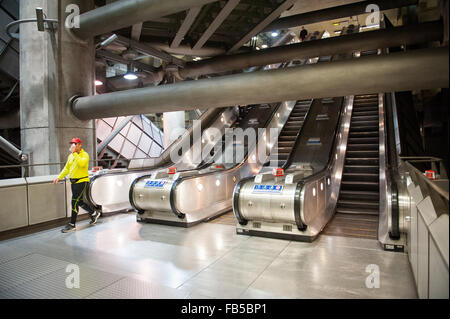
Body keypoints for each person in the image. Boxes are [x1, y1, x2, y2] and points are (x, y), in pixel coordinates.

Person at [53, 137, 100, 233]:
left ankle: (72, 224)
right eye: (72, 144)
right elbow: (66, 168)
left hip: (82, 181)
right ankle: (94, 213)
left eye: (75, 144)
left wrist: (74, 153)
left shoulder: (85, 155)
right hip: (73, 182)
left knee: (74, 201)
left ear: (80, 145)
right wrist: (59, 177)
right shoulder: (71, 156)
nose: (73, 146)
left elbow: (82, 164)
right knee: (79, 202)